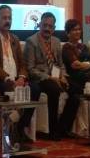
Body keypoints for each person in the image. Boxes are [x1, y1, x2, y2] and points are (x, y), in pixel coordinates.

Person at [0, 5, 36, 143]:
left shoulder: (15, 39)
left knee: (35, 89)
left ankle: (20, 127)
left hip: (17, 79)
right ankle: (8, 129)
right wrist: (8, 78)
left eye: (9, 18)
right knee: (9, 88)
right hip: (0, 80)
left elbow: (22, 64)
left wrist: (21, 77)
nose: (7, 21)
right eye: (4, 18)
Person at [25, 12, 76, 140]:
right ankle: (53, 131)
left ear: (54, 28)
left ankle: (63, 128)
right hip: (41, 78)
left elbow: (61, 64)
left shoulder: (56, 41)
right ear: (39, 25)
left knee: (76, 90)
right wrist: (49, 77)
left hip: (56, 76)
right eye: (44, 25)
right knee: (54, 89)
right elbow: (30, 69)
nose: (47, 28)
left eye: (50, 26)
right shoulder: (31, 42)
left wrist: (63, 76)